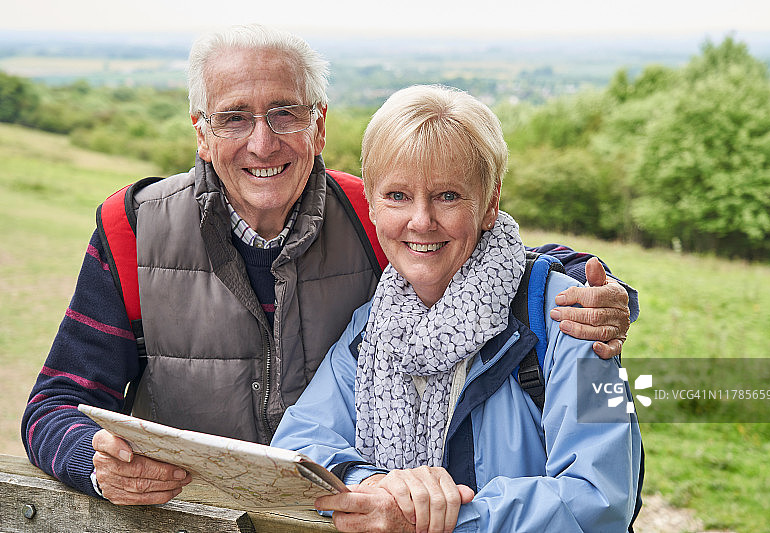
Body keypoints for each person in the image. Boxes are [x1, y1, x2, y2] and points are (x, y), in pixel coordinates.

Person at [21, 25, 637, 506]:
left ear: (318, 126)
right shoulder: (134, 228)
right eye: (234, 117)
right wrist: (97, 464)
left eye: (285, 113)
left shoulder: (373, 216)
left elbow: (482, 248)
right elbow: (54, 404)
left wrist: (594, 286)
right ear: (201, 133)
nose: (262, 142)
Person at [271, 84, 641, 533]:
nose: (421, 220)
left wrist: (441, 521)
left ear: (490, 202)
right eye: (397, 196)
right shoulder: (372, 326)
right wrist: (373, 486)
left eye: (448, 196)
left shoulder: (573, 319)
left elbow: (601, 498)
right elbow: (298, 445)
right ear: (371, 203)